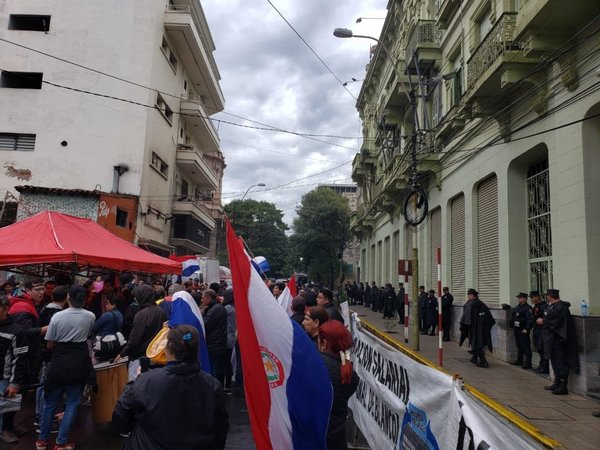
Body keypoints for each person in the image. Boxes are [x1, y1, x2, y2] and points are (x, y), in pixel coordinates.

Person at [113, 325, 229, 449]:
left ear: (168, 350)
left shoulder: (146, 381)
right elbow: (220, 428)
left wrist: (136, 382)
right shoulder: (212, 386)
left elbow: (121, 416)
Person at [36, 284, 96, 450]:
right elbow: (88, 336)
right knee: (72, 403)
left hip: (59, 361)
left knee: (50, 403)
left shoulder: (57, 317)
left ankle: (42, 440)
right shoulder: (91, 316)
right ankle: (61, 442)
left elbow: (49, 344)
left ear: (68, 297)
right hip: (79, 361)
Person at [318, 320, 359, 450]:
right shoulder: (351, 376)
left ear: (323, 343)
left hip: (318, 436)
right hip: (337, 439)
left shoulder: (316, 364)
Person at [35, 285, 69, 433]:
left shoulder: (45, 308)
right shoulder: (56, 313)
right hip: (51, 354)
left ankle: (39, 416)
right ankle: (43, 420)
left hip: (43, 353)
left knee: (42, 385)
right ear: (67, 297)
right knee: (48, 386)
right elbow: (51, 340)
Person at [116, 285, 166, 381]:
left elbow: (134, 340)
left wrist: (122, 353)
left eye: (136, 296)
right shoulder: (160, 311)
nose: (135, 298)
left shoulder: (142, 314)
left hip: (139, 359)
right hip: (155, 356)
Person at [0, 293, 28, 444]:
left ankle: (6, 428)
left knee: (8, 406)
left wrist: (14, 383)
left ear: (5, 309)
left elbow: (20, 359)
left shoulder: (16, 330)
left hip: (5, 378)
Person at [539, 289, 577, 395]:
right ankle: (557, 382)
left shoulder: (561, 307)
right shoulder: (551, 306)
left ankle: (563, 385)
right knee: (554, 361)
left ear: (550, 296)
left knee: (560, 362)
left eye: (547, 296)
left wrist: (543, 321)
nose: (547, 297)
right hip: (551, 340)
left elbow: (557, 322)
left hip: (558, 340)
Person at [201, 289, 227, 386]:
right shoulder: (217, 307)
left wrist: (203, 312)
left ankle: (214, 389)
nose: (202, 300)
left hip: (214, 344)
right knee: (218, 368)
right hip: (218, 343)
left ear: (208, 298)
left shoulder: (215, 309)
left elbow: (205, 324)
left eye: (203, 298)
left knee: (214, 369)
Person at [467, 289, 496, 368]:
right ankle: (474, 358)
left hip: (479, 329)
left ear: (473, 296)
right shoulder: (473, 303)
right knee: (476, 343)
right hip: (476, 328)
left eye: (469, 295)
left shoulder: (477, 304)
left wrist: (482, 327)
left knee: (477, 344)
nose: (468, 296)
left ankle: (483, 361)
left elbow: (488, 318)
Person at [510, 293, 533, 369]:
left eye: (520, 298)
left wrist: (527, 328)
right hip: (517, 329)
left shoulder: (527, 308)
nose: (518, 299)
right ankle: (519, 360)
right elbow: (514, 316)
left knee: (526, 346)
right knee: (519, 345)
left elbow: (529, 320)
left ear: (524, 299)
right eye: (518, 297)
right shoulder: (517, 307)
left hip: (523, 329)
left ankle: (528, 363)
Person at [530, 290, 549, 373]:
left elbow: (546, 317)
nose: (531, 299)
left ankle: (545, 367)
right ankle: (541, 365)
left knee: (542, 348)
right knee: (538, 347)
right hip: (536, 329)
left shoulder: (543, 305)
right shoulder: (536, 305)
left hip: (542, 330)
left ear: (537, 297)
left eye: (532, 297)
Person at [222, 288, 236, 393]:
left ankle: (226, 385)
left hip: (226, 337)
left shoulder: (227, 308)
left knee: (225, 362)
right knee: (227, 362)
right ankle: (228, 385)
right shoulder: (234, 308)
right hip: (231, 337)